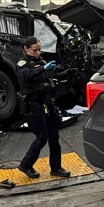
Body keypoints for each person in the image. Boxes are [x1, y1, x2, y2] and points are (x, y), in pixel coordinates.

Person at [15, 35, 70, 179]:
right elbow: (25, 76)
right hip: (33, 105)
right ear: (26, 49)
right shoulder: (22, 63)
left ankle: (56, 167)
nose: (38, 53)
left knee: (54, 136)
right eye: (35, 50)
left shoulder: (41, 61)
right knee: (41, 137)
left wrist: (65, 73)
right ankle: (26, 165)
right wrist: (43, 69)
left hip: (47, 103)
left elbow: (51, 76)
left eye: (40, 50)